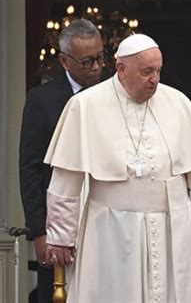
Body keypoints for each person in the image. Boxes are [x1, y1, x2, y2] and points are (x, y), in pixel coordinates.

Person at [43, 34, 191, 302]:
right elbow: (66, 180)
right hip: (113, 231)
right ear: (121, 69)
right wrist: (60, 238)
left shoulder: (178, 103)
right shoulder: (85, 105)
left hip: (172, 230)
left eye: (158, 70)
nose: (155, 79)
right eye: (146, 72)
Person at [19, 18, 104, 303]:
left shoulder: (115, 96)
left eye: (101, 57)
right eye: (87, 61)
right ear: (65, 61)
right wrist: (39, 232)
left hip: (105, 218)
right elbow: (31, 169)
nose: (96, 67)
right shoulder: (42, 100)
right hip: (58, 224)